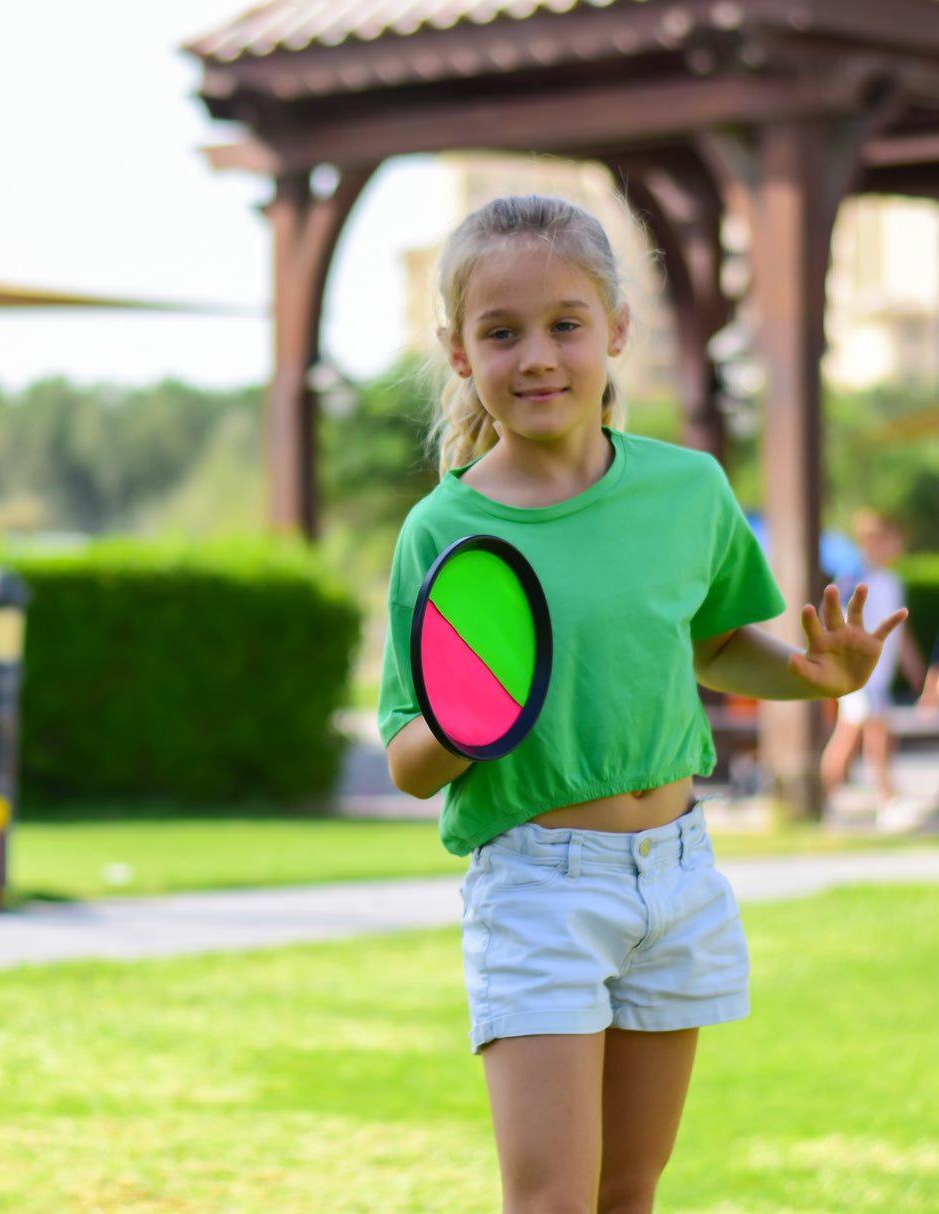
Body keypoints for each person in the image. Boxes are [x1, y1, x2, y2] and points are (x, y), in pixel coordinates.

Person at [377, 194, 907, 1214]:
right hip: (537, 886)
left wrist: (813, 675)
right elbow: (408, 756)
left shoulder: (688, 490)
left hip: (677, 872)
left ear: (617, 330)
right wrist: (464, 719)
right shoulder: (443, 527)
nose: (536, 355)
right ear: (457, 352)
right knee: (552, 1199)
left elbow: (715, 644)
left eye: (564, 324)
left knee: (628, 1189)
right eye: (501, 332)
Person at [820, 510, 926, 817]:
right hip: (856, 675)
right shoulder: (853, 579)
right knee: (870, 732)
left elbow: (898, 631)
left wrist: (914, 669)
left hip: (877, 678)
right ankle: (885, 797)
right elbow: (835, 625)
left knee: (854, 735)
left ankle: (828, 796)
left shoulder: (892, 582)